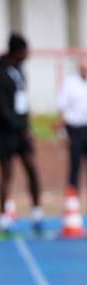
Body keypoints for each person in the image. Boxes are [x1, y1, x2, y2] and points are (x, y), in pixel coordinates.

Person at [0, 33, 43, 234]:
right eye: (25, 50)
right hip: (6, 133)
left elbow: (22, 104)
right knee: (6, 173)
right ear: (17, 52)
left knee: (31, 168)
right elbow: (2, 109)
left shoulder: (20, 73)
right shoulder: (1, 76)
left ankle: (37, 213)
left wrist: (26, 127)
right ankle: (3, 217)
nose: (28, 54)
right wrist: (20, 128)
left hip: (21, 131)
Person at [57, 55, 87, 194]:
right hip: (75, 128)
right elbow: (62, 106)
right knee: (75, 163)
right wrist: (62, 132)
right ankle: (72, 194)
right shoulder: (70, 83)